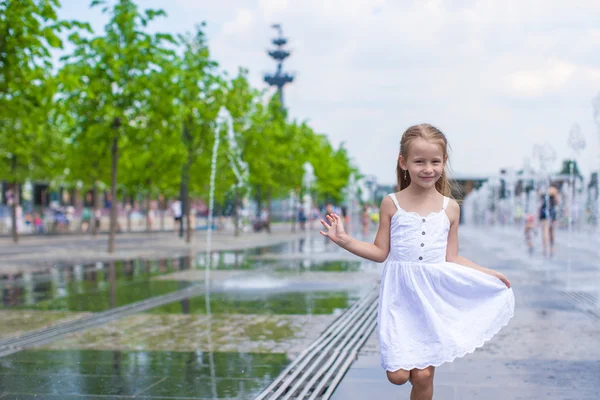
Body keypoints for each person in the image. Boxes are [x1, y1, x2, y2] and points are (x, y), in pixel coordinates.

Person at [319, 123, 514, 400]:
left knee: (422, 375)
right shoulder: (391, 203)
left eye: (435, 161)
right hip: (400, 296)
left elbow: (452, 257)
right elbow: (379, 252)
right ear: (404, 163)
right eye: (419, 161)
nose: (428, 169)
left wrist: (488, 273)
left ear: (444, 162)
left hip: (432, 298)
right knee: (398, 376)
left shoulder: (450, 207)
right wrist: (344, 240)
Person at [539, 184, 560, 258]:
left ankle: (545, 249)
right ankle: (552, 248)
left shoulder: (542, 189)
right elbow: (557, 201)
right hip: (551, 210)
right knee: (551, 230)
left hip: (543, 210)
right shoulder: (554, 190)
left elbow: (540, 201)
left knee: (544, 230)